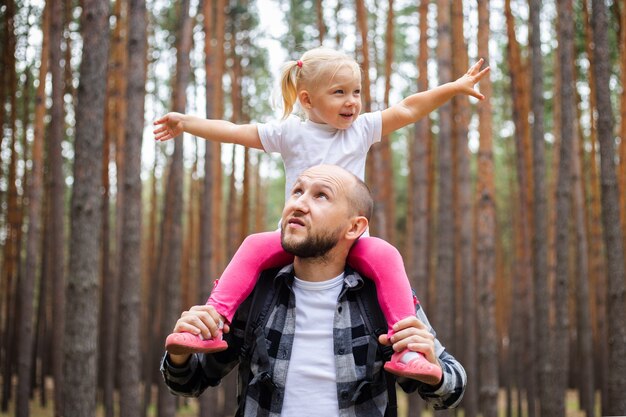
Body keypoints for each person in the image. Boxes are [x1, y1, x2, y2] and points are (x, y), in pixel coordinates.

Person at [154, 47, 489, 380]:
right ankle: (212, 320)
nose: (352, 101)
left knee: (386, 255)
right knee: (255, 245)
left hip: (350, 239)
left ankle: (410, 350)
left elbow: (408, 108)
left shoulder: (362, 129)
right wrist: (187, 123)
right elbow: (233, 131)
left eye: (356, 92)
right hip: (298, 235)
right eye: (339, 92)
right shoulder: (290, 133)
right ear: (308, 100)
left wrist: (454, 87)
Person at [161, 165, 467, 416]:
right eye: (297, 190)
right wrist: (178, 357)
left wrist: (437, 370)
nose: (299, 203)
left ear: (354, 227)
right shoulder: (257, 292)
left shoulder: (380, 296)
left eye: (321, 196)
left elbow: (452, 392)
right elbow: (188, 384)